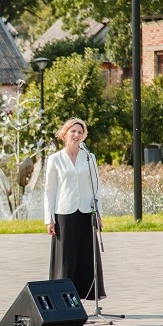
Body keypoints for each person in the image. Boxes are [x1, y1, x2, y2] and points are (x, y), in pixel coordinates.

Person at [43, 117, 106, 301]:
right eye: (73, 131)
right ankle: (63, 298)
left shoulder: (89, 157)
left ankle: (83, 296)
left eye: (80, 132)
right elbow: (49, 191)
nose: (77, 134)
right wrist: (49, 219)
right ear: (65, 134)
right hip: (64, 214)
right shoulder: (55, 159)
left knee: (85, 258)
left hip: (86, 212)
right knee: (66, 259)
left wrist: (99, 213)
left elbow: (96, 187)